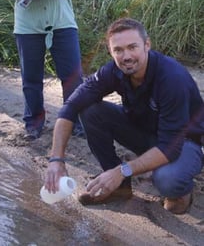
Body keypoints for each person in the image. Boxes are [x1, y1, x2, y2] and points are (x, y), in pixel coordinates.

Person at [44, 18, 204, 215]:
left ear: (147, 45)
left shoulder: (171, 78)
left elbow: (170, 147)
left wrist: (122, 170)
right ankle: (120, 188)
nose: (126, 56)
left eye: (132, 47)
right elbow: (70, 107)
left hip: (185, 142)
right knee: (90, 111)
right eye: (118, 50)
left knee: (167, 180)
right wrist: (56, 160)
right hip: (147, 133)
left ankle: (181, 194)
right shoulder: (112, 71)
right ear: (111, 52)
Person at [0, 0, 83, 139]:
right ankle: (34, 123)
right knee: (31, 78)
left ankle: (75, 121)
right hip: (28, 25)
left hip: (61, 23)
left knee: (72, 76)